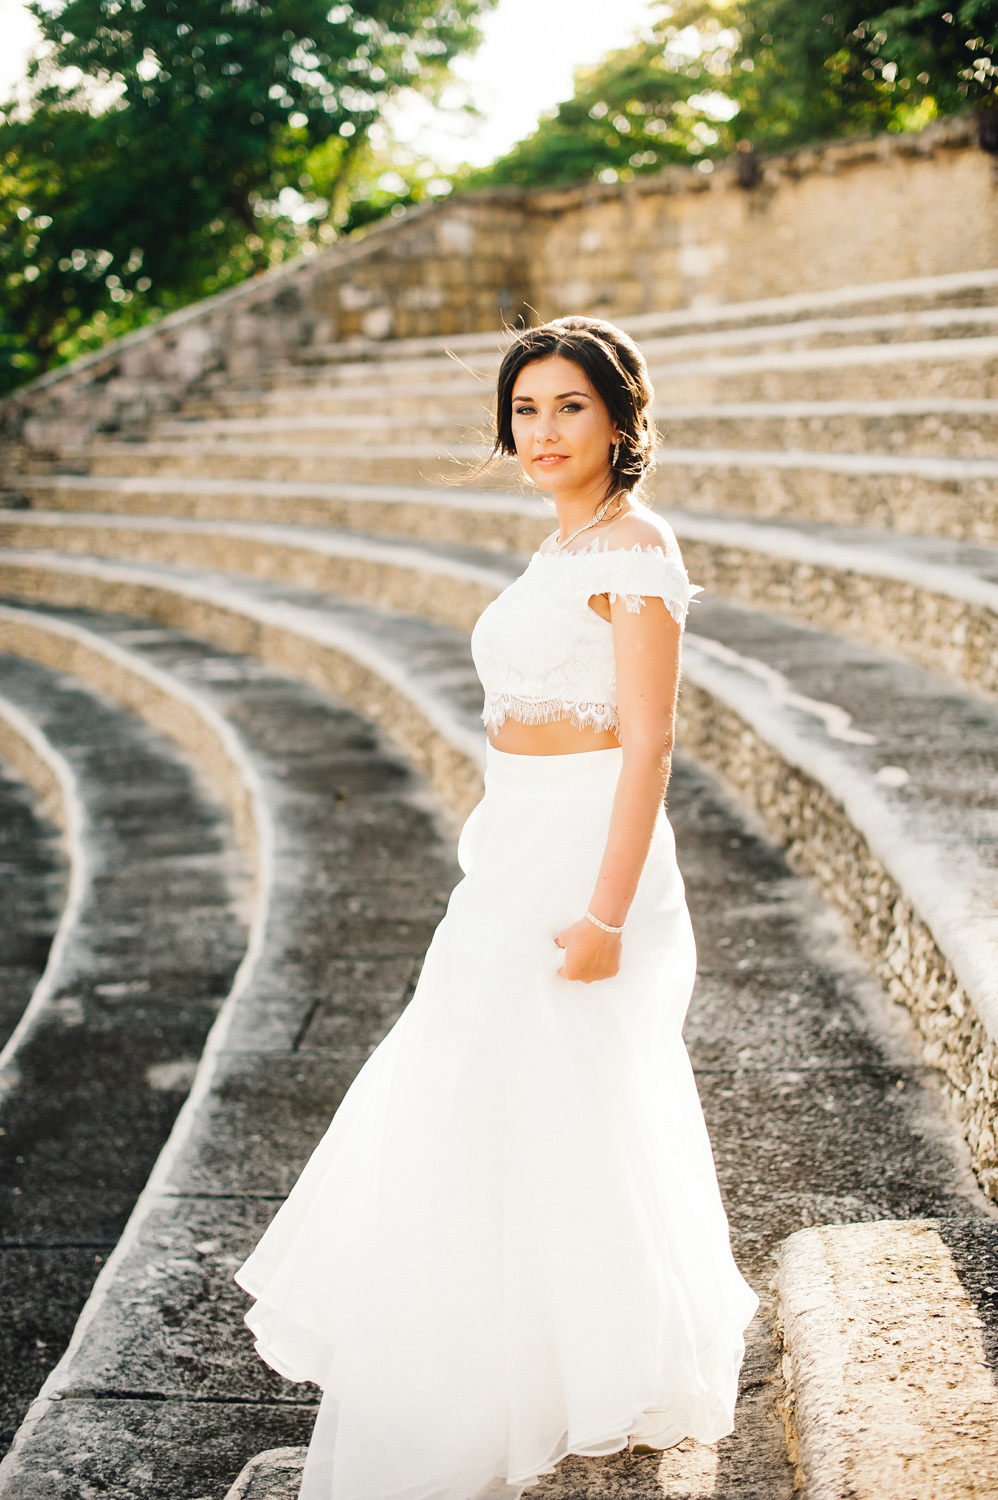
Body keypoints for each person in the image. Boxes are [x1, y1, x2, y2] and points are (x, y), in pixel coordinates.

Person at [235, 316, 759, 1500]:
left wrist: (606, 916)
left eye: (568, 406)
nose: (543, 430)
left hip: (585, 856)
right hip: (515, 841)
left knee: (541, 1091)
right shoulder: (561, 546)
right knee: (490, 1099)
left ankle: (540, 1379)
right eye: (526, 410)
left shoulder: (633, 547)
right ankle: (506, 1359)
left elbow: (650, 747)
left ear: (620, 419)